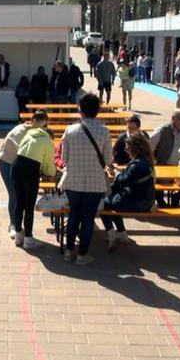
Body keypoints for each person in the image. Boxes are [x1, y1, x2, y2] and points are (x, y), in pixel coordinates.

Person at [59, 94, 112, 264]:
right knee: (88, 218)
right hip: (94, 183)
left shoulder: (70, 130)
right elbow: (108, 159)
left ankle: (68, 252)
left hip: (72, 180)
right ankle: (82, 255)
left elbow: (64, 158)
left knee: (74, 215)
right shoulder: (104, 131)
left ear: (80, 110)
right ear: (97, 111)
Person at [100, 133, 156, 252]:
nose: (126, 150)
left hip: (139, 201)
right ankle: (121, 233)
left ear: (134, 149)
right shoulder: (146, 161)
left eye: (127, 148)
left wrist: (117, 174)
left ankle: (111, 232)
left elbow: (125, 181)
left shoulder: (137, 165)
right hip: (147, 199)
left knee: (104, 204)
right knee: (114, 200)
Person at [11, 111, 56, 249]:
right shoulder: (48, 141)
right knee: (29, 205)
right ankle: (29, 238)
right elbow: (49, 166)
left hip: (16, 166)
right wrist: (51, 173)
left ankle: (18, 234)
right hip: (30, 171)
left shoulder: (29, 134)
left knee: (19, 202)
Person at [0, 114, 44, 235]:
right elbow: (25, 155)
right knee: (14, 194)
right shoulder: (20, 132)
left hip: (20, 165)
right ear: (33, 122)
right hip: (7, 162)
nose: (43, 128)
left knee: (22, 197)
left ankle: (18, 226)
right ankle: (13, 225)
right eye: (41, 125)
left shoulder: (35, 133)